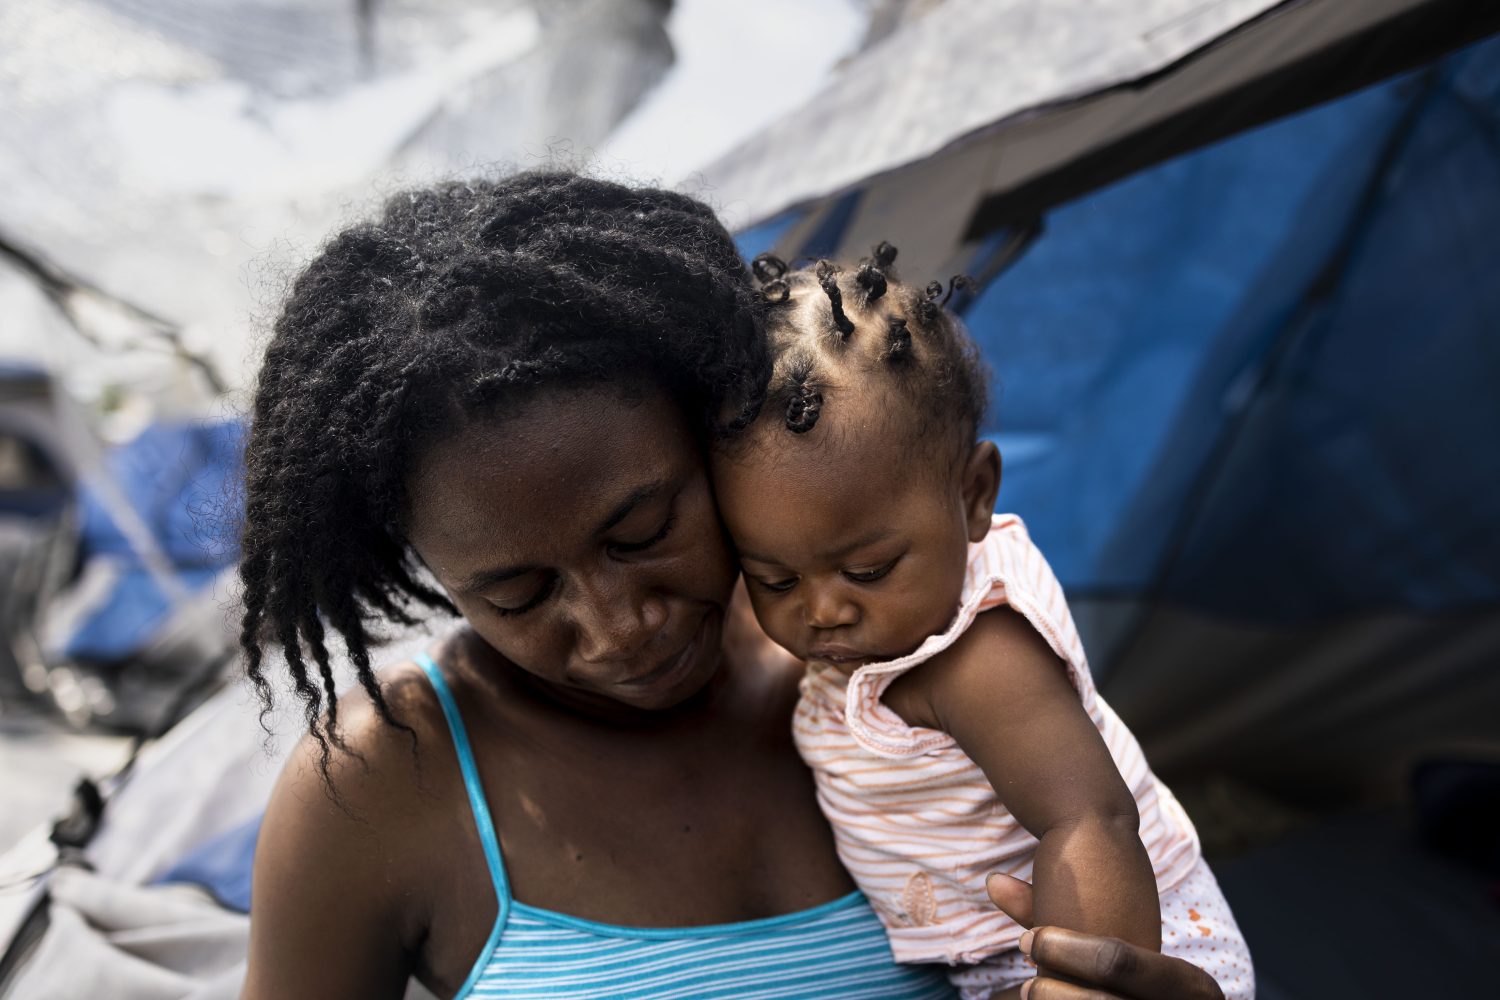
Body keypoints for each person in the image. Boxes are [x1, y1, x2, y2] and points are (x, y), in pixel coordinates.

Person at [236, 171, 1233, 1000]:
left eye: (643, 530)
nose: (618, 624)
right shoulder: (382, 789)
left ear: (710, 422)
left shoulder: (872, 651)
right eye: (520, 593)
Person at [708, 248, 1254, 999]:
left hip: (1132, 945)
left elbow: (1087, 818)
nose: (824, 608)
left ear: (973, 496)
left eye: (867, 570)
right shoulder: (867, 638)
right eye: (774, 579)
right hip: (1000, 956)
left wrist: (1088, 980)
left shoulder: (977, 654)